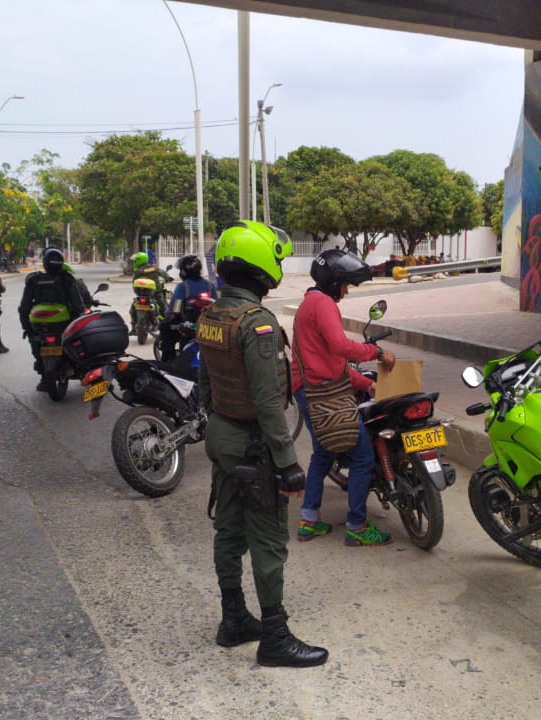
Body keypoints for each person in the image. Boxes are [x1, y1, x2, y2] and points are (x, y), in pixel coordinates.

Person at [196, 220, 328, 668]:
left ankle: (233, 619)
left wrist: (215, 428)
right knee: (269, 539)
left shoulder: (212, 315)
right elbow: (269, 401)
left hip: (222, 436)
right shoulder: (258, 324)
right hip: (254, 445)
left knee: (229, 529)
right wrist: (288, 461)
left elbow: (205, 383)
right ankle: (274, 637)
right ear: (260, 267)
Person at [291, 248, 397, 547]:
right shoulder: (322, 304)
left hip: (310, 389)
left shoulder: (310, 302)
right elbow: (340, 347)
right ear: (333, 281)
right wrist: (377, 353)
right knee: (363, 455)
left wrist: (366, 383)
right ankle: (357, 527)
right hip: (322, 394)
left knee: (323, 454)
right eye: (345, 285)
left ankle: (309, 521)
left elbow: (330, 363)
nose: (346, 291)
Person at [17, 247, 86, 391]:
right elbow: (78, 304)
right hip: (64, 325)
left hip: (39, 326)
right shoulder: (67, 279)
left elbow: (24, 307)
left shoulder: (34, 279)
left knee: (36, 343)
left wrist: (26, 328)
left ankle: (44, 377)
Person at [157, 254, 218, 361]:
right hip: (207, 325)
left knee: (164, 327)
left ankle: (168, 360)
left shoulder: (182, 287)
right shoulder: (210, 285)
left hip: (187, 325)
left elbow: (175, 310)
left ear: (184, 271)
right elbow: (216, 305)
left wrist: (168, 317)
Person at [130, 251, 169, 334]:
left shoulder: (138, 271)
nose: (134, 262)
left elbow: (133, 283)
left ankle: (133, 327)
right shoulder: (153, 268)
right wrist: (168, 278)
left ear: (140, 260)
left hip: (141, 293)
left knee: (133, 308)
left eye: (135, 260)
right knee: (165, 308)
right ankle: (168, 327)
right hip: (156, 293)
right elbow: (163, 273)